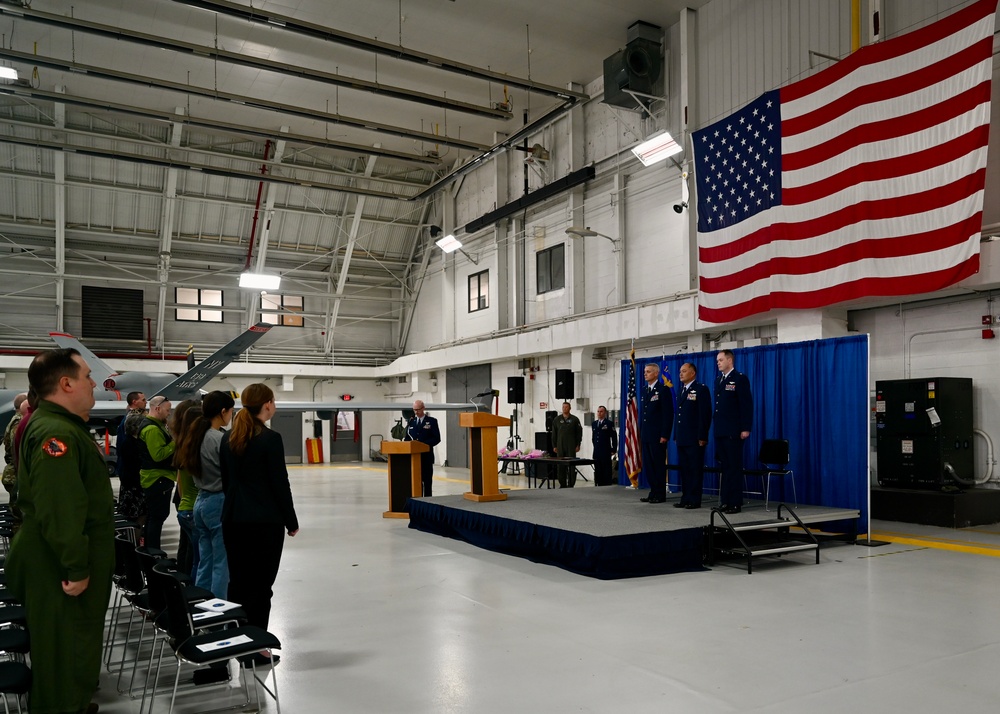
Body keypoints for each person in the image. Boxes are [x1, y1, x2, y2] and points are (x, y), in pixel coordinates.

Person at [6, 348, 114, 714]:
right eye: (87, 375)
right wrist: (77, 568)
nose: (94, 382)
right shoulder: (56, 433)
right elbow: (61, 509)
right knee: (64, 657)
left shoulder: (59, 427)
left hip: (59, 563)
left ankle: (74, 703)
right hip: (59, 569)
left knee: (72, 651)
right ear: (66, 384)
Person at [220, 383, 298, 666]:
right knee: (261, 587)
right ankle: (256, 648)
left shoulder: (228, 439)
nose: (274, 405)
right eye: (273, 401)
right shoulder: (270, 439)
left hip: (233, 519)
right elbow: (280, 484)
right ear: (266, 405)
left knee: (238, 584)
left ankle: (238, 641)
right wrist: (291, 520)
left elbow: (227, 482)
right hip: (264, 522)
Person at [178, 390, 235, 598]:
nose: (231, 415)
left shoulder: (195, 436)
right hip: (218, 501)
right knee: (221, 564)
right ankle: (220, 613)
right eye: (230, 411)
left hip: (200, 501)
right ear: (222, 411)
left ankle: (201, 605)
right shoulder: (219, 439)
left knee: (205, 560)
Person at [714, 349, 754, 514]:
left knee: (734, 467)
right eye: (717, 361)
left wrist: (745, 428)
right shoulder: (719, 380)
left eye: (721, 360)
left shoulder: (739, 378)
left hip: (734, 431)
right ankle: (725, 501)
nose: (718, 363)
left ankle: (735, 502)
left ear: (730, 360)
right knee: (725, 467)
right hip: (721, 430)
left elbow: (746, 404)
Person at [138, 395, 176, 550]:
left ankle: (151, 550)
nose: (169, 413)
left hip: (155, 478)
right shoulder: (152, 429)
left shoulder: (154, 425)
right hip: (157, 478)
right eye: (167, 410)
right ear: (158, 408)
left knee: (155, 517)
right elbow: (158, 455)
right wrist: (175, 443)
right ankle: (153, 552)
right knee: (157, 518)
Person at [673, 363, 712, 509]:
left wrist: (703, 436)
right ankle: (685, 498)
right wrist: (676, 434)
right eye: (680, 371)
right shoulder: (681, 390)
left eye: (684, 371)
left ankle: (694, 499)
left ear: (693, 373)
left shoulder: (701, 389)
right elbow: (679, 416)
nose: (680, 374)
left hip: (695, 438)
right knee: (685, 469)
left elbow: (705, 415)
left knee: (695, 469)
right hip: (682, 437)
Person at [172, 401, 203, 577]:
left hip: (184, 504)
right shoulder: (195, 447)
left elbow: (180, 480)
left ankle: (183, 582)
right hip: (193, 506)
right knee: (197, 557)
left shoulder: (181, 442)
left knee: (186, 546)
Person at [639, 363, 673, 503]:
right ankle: (653, 491)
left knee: (658, 464)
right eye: (645, 372)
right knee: (649, 465)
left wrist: (665, 434)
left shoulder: (663, 390)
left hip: (658, 435)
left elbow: (668, 414)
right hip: (646, 435)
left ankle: (660, 493)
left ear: (656, 373)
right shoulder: (645, 390)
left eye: (648, 372)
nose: (645, 374)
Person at [115, 391, 147, 527]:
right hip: (132, 477)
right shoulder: (130, 421)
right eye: (143, 400)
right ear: (134, 401)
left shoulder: (127, 419)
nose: (146, 402)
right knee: (136, 514)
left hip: (128, 474)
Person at [403, 399, 441, 497]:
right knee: (416, 481)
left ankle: (428, 502)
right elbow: (407, 438)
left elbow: (436, 438)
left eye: (418, 409)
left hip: (426, 457)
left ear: (423, 408)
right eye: (414, 410)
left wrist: (423, 445)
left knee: (427, 482)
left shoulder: (432, 421)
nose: (416, 412)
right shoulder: (411, 422)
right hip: (415, 458)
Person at [2, 392, 28, 522]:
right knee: (20, 520)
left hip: (13, 474)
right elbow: (16, 449)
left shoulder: (16, 421)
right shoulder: (18, 423)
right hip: (15, 474)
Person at [551, 401, 583, 488]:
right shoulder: (557, 419)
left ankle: (571, 483)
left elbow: (579, 433)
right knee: (561, 465)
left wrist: (578, 444)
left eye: (566, 407)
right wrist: (554, 445)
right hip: (560, 445)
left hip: (571, 445)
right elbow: (554, 433)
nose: (564, 408)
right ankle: (562, 483)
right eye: (563, 407)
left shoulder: (574, 419)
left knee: (571, 464)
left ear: (570, 408)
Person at [591, 405, 617, 486]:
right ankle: (598, 483)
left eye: (601, 411)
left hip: (605, 451)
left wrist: (614, 449)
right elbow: (594, 437)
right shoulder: (594, 423)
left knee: (606, 469)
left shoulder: (609, 423)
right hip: (597, 451)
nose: (599, 413)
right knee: (598, 469)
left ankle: (607, 484)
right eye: (598, 411)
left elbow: (614, 437)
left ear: (605, 413)